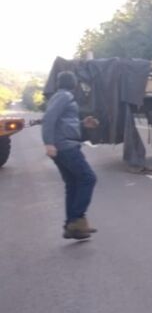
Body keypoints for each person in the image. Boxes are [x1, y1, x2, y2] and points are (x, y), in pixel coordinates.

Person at [42, 70, 100, 240]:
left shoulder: (61, 97)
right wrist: (48, 143)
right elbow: (49, 119)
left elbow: (63, 122)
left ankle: (71, 227)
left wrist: (83, 124)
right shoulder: (64, 96)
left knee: (73, 184)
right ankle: (76, 220)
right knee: (88, 178)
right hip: (66, 146)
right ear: (74, 84)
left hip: (63, 145)